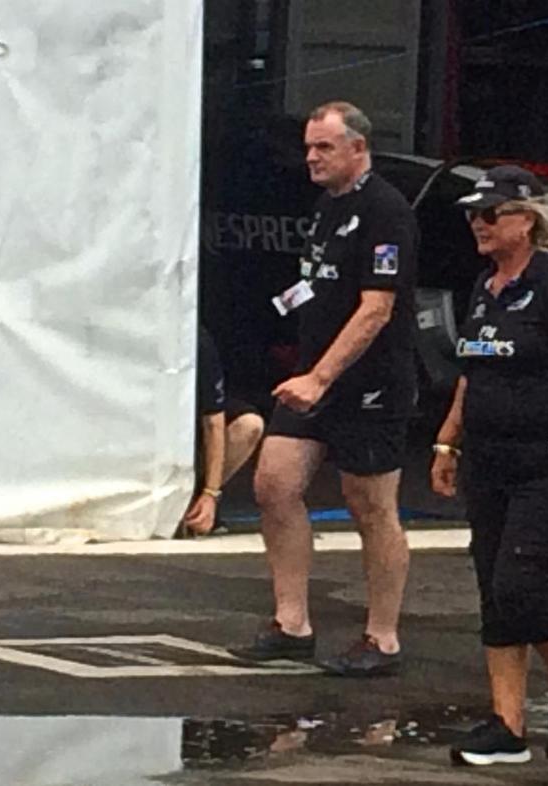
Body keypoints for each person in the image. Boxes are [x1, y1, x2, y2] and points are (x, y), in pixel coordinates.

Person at [431, 165, 548, 765]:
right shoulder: (484, 288)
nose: (478, 225)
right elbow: (473, 372)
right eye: (473, 215)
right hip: (489, 460)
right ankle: (506, 724)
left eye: (490, 215)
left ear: (527, 219)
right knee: (493, 588)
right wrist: (447, 441)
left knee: (521, 582)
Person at [229, 101, 418, 677]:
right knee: (274, 482)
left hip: (370, 383)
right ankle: (292, 623)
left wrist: (321, 376)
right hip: (312, 375)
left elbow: (375, 309)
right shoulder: (324, 209)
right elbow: (314, 285)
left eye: (324, 147)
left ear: (358, 148)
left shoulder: (387, 212)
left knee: (370, 505)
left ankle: (382, 637)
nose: (311, 157)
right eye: (309, 147)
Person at [181, 326, 265, 536]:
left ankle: (196, 505)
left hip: (192, 422)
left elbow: (213, 420)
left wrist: (210, 494)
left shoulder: (196, 338)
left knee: (249, 425)